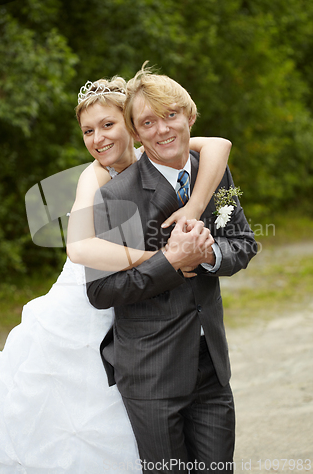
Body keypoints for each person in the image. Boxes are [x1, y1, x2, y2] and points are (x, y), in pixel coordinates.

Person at [0, 74, 232, 473]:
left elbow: (219, 145)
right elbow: (80, 248)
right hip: (87, 303)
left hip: (143, 312)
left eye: (108, 125)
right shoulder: (94, 177)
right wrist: (164, 255)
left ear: (131, 127)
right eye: (88, 131)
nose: (98, 139)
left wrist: (196, 203)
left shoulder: (157, 153)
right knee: (78, 407)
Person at [87, 66, 257, 473]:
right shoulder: (115, 196)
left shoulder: (214, 173)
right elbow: (101, 291)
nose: (163, 129)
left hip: (211, 368)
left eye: (170, 115)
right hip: (152, 375)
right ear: (136, 133)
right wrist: (171, 263)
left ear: (189, 116)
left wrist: (209, 256)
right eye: (147, 122)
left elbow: (243, 242)